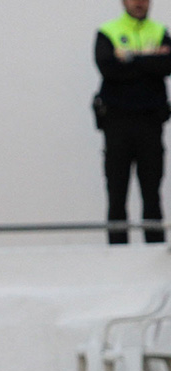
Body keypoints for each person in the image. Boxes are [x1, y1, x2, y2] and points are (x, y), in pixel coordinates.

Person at [94, 0, 171, 244]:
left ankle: (156, 255)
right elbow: (108, 68)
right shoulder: (108, 31)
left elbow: (167, 65)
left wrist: (129, 57)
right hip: (117, 123)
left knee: (152, 195)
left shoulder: (159, 31)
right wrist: (148, 61)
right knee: (117, 195)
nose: (139, 3)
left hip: (150, 123)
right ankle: (117, 256)